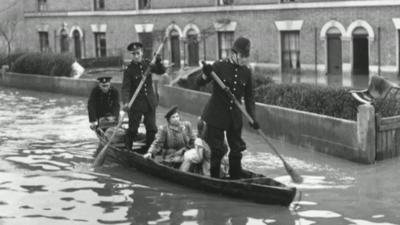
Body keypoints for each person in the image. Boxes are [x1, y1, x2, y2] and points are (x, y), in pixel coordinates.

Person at [197, 37, 259, 179]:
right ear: (234, 53)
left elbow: (250, 98)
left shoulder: (246, 72)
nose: (244, 60)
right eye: (242, 56)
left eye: (246, 57)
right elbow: (198, 82)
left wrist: (253, 118)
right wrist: (206, 74)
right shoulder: (219, 66)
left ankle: (236, 176)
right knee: (217, 149)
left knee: (237, 149)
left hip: (234, 116)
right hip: (216, 114)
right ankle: (215, 178)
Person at [122, 42, 166, 151]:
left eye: (138, 53)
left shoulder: (148, 64)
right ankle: (128, 150)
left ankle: (149, 150)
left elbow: (161, 71)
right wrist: (126, 103)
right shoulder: (129, 70)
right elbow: (125, 88)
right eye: (133, 54)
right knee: (133, 129)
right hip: (135, 104)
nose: (136, 56)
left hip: (150, 102)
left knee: (151, 128)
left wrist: (159, 61)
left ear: (142, 53)